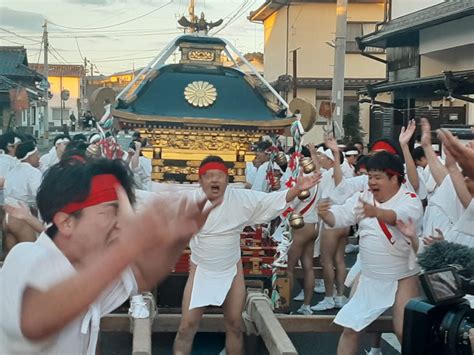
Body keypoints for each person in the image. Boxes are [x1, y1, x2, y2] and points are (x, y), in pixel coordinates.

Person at [0, 156, 216, 355]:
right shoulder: (26, 256)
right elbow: (34, 319)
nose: (121, 223)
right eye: (111, 212)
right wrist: (128, 245)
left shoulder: (86, 270)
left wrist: (177, 240)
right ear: (67, 222)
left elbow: (140, 276)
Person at [172, 155, 320, 355]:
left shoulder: (240, 199)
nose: (214, 180)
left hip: (231, 270)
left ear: (228, 179)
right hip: (201, 271)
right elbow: (151, 204)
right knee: (186, 326)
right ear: (200, 180)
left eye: (220, 175)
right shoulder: (188, 201)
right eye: (208, 176)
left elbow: (269, 201)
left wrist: (296, 189)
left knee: (234, 324)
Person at [318, 151, 423, 355]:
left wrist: (378, 213)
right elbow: (342, 216)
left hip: (403, 275)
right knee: (351, 329)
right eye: (369, 177)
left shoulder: (410, 199)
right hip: (370, 275)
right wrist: (326, 215)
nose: (372, 182)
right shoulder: (364, 196)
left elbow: (399, 217)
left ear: (394, 178)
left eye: (377, 177)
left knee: (404, 331)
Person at [3, 140, 42, 254]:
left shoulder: (12, 171)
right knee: (31, 257)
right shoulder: (32, 172)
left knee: (12, 260)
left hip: (7, 218)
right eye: (37, 154)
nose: (39, 157)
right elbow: (39, 196)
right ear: (30, 156)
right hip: (21, 219)